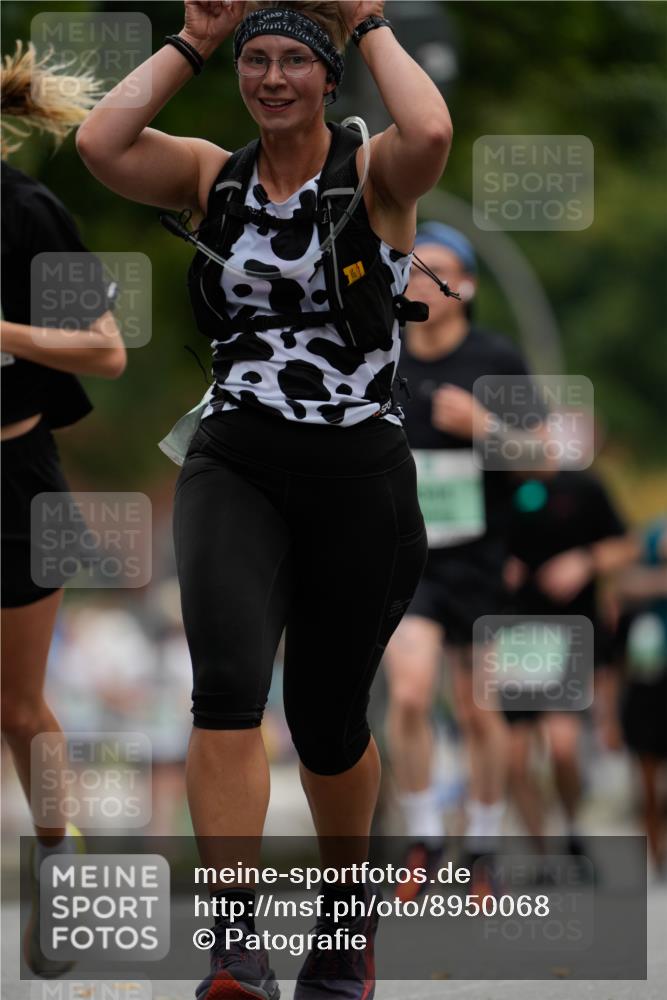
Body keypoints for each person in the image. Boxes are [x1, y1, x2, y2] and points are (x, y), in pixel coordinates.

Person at [75, 2, 452, 998]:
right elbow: (101, 144)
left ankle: (344, 928)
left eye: (293, 61)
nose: (272, 78)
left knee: (327, 723)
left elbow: (431, 130)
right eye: (255, 61)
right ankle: (234, 944)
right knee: (227, 689)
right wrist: (193, 41)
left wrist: (366, 18)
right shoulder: (215, 175)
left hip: (359, 478)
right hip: (235, 461)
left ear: (328, 78)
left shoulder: (373, 175)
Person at [0, 41, 126, 977]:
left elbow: (107, 351)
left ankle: (58, 858)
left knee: (15, 707)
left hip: (14, 477)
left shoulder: (29, 212)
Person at [382, 222, 546, 899]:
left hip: (479, 558)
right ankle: (423, 837)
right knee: (409, 692)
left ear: (466, 287)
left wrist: (485, 428)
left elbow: (545, 459)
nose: (420, 281)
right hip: (405, 557)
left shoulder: (495, 358)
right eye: (411, 269)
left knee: (479, 711)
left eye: (437, 271)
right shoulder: (380, 352)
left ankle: (481, 844)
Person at [503, 470, 637, 856]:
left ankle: (572, 827)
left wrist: (585, 561)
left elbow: (626, 545)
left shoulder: (583, 486)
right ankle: (542, 852)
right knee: (514, 761)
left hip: (568, 632)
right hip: (508, 633)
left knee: (562, 747)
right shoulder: (496, 484)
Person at [612, 518, 667, 874]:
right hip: (648, 676)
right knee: (647, 777)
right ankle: (655, 852)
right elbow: (620, 583)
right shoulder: (650, 535)